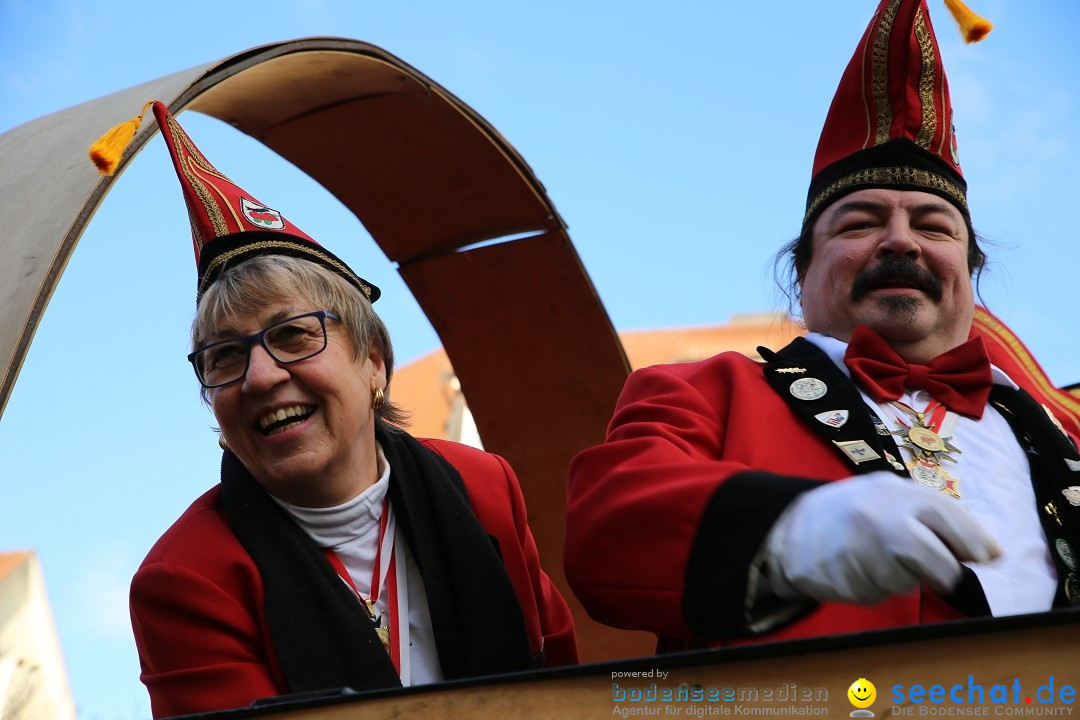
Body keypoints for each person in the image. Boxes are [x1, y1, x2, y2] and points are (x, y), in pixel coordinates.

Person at [564, 0, 1080, 653]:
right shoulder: (707, 391)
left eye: (933, 227)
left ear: (969, 273)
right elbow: (607, 527)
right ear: (801, 275)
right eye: (860, 223)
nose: (901, 243)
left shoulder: (1058, 435)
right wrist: (788, 528)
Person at [97, 101, 576, 718]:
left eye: (294, 335)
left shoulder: (483, 486)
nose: (262, 377)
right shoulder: (185, 580)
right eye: (223, 358)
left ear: (374, 361)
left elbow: (570, 684)